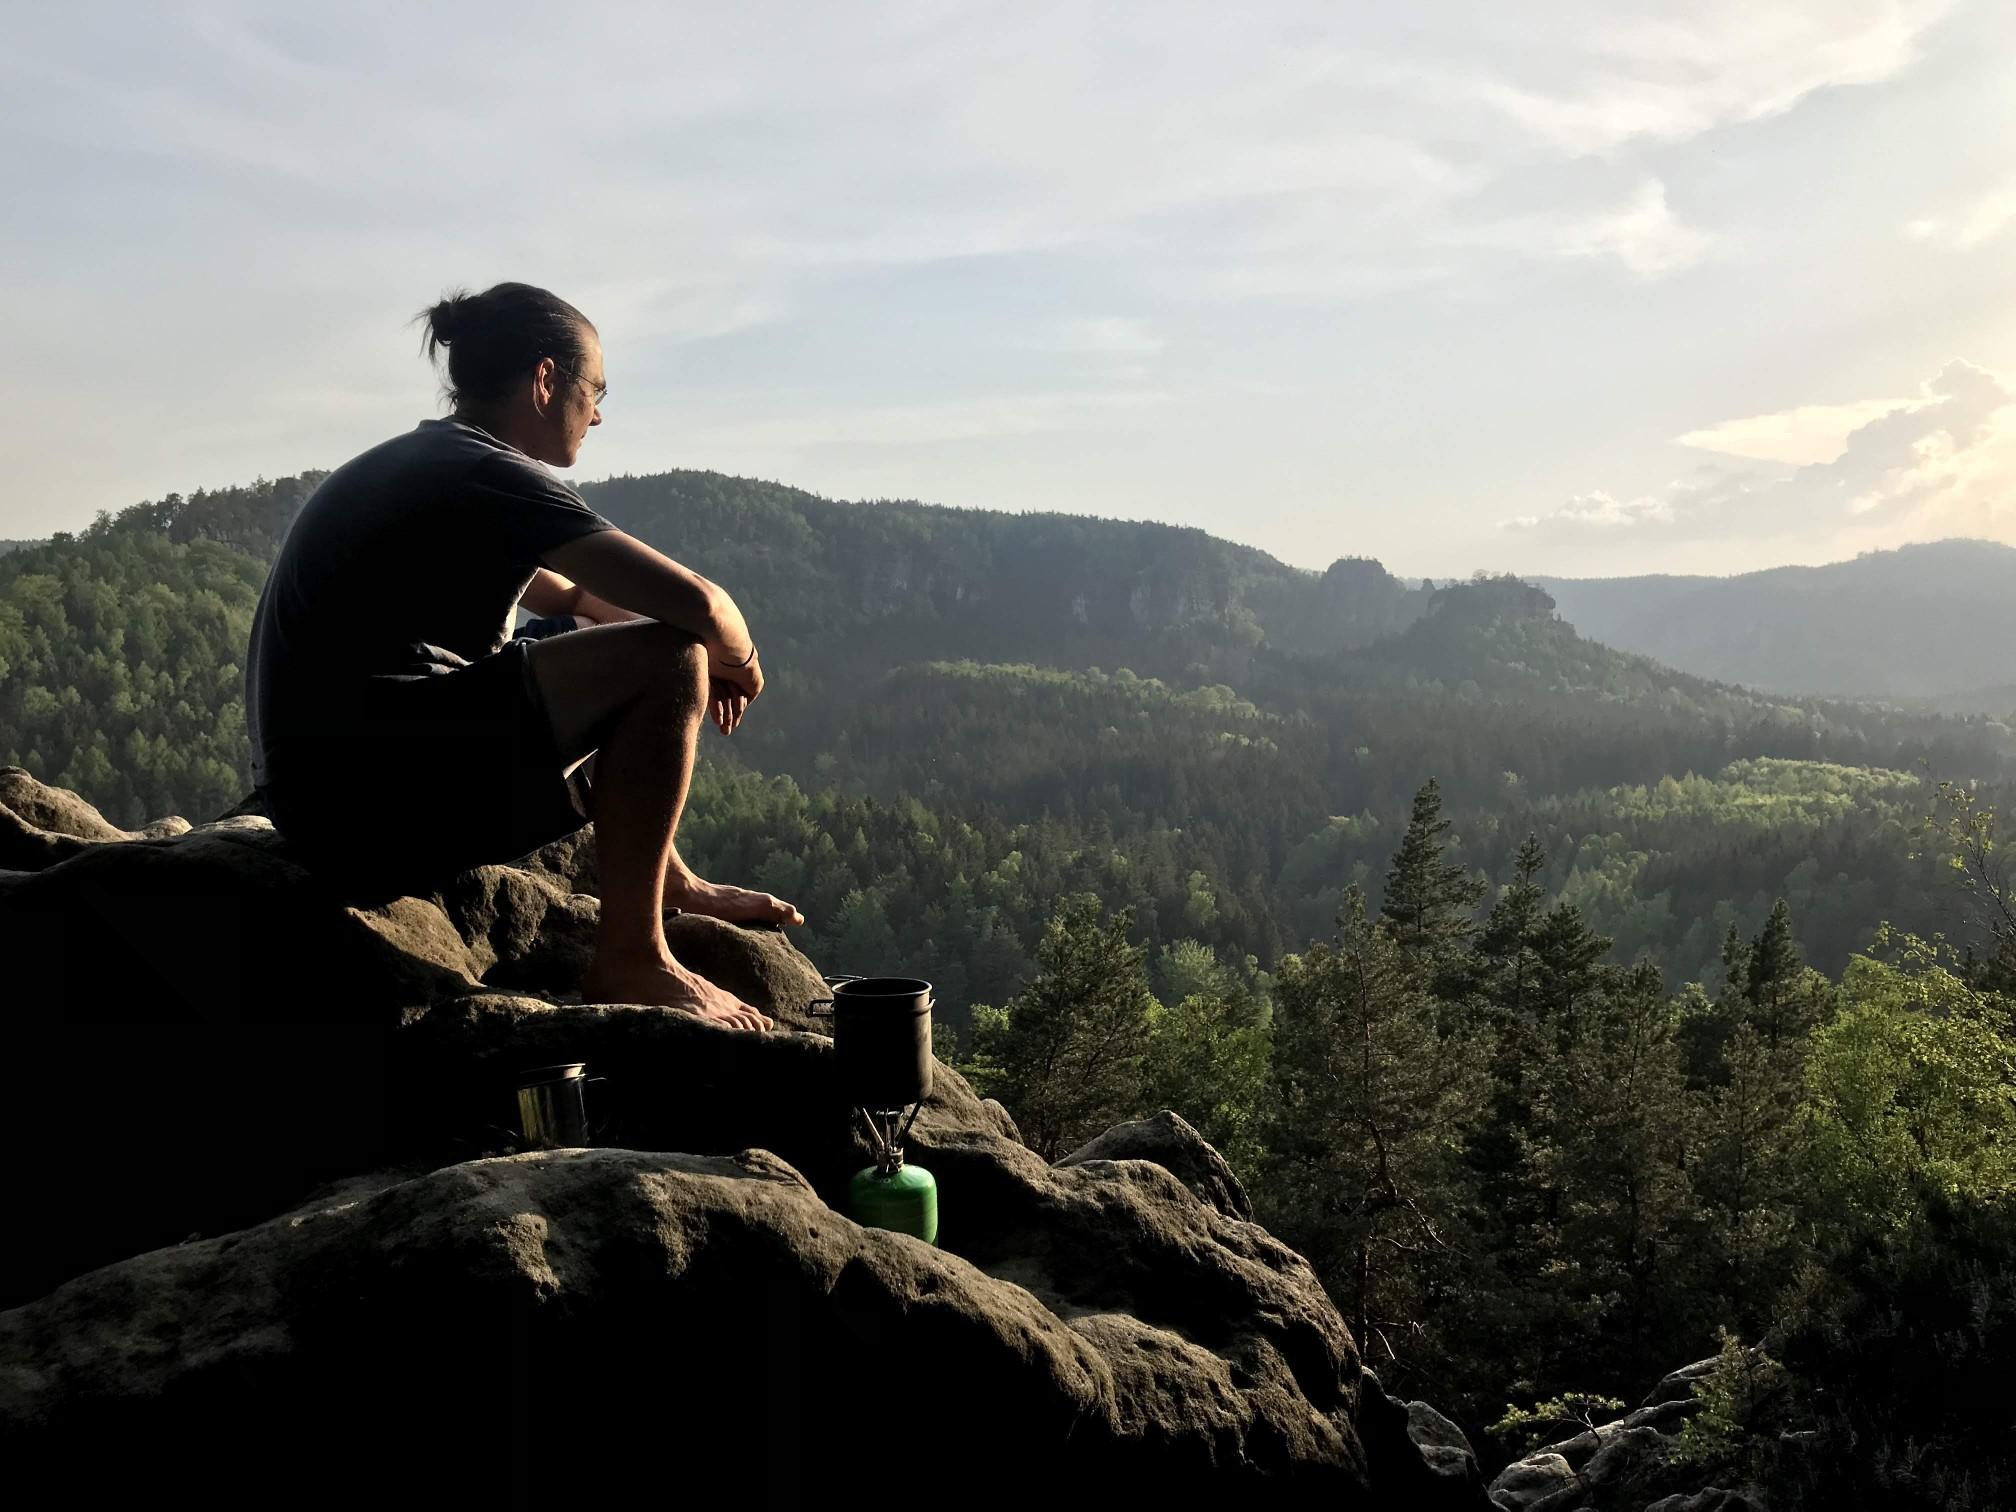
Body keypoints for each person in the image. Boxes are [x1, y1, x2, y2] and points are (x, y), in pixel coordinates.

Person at [246, 281, 799, 1031]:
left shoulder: (435, 464)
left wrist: (687, 651)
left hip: (330, 796)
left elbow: (579, 597)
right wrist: (738, 661)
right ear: (545, 381)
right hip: (365, 808)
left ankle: (666, 882)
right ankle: (633, 956)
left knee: (611, 648)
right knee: (670, 660)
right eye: (595, 391)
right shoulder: (484, 472)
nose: (598, 414)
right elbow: (700, 606)